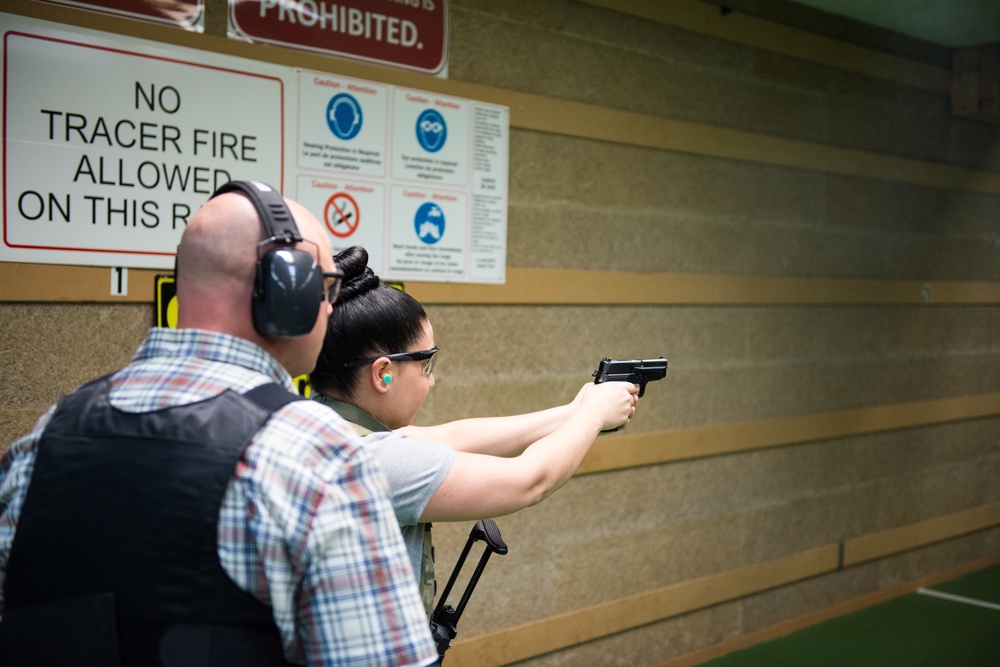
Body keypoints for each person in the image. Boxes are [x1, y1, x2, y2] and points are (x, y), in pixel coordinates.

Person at [0, 183, 438, 667]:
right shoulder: (315, 452)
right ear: (285, 294)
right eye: (326, 289)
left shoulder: (44, 439)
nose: (331, 307)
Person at [309, 246, 640, 615]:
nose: (431, 382)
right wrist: (592, 417)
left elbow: (450, 436)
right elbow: (530, 480)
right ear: (383, 373)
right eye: (426, 364)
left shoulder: (324, 425)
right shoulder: (376, 461)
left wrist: (573, 410)